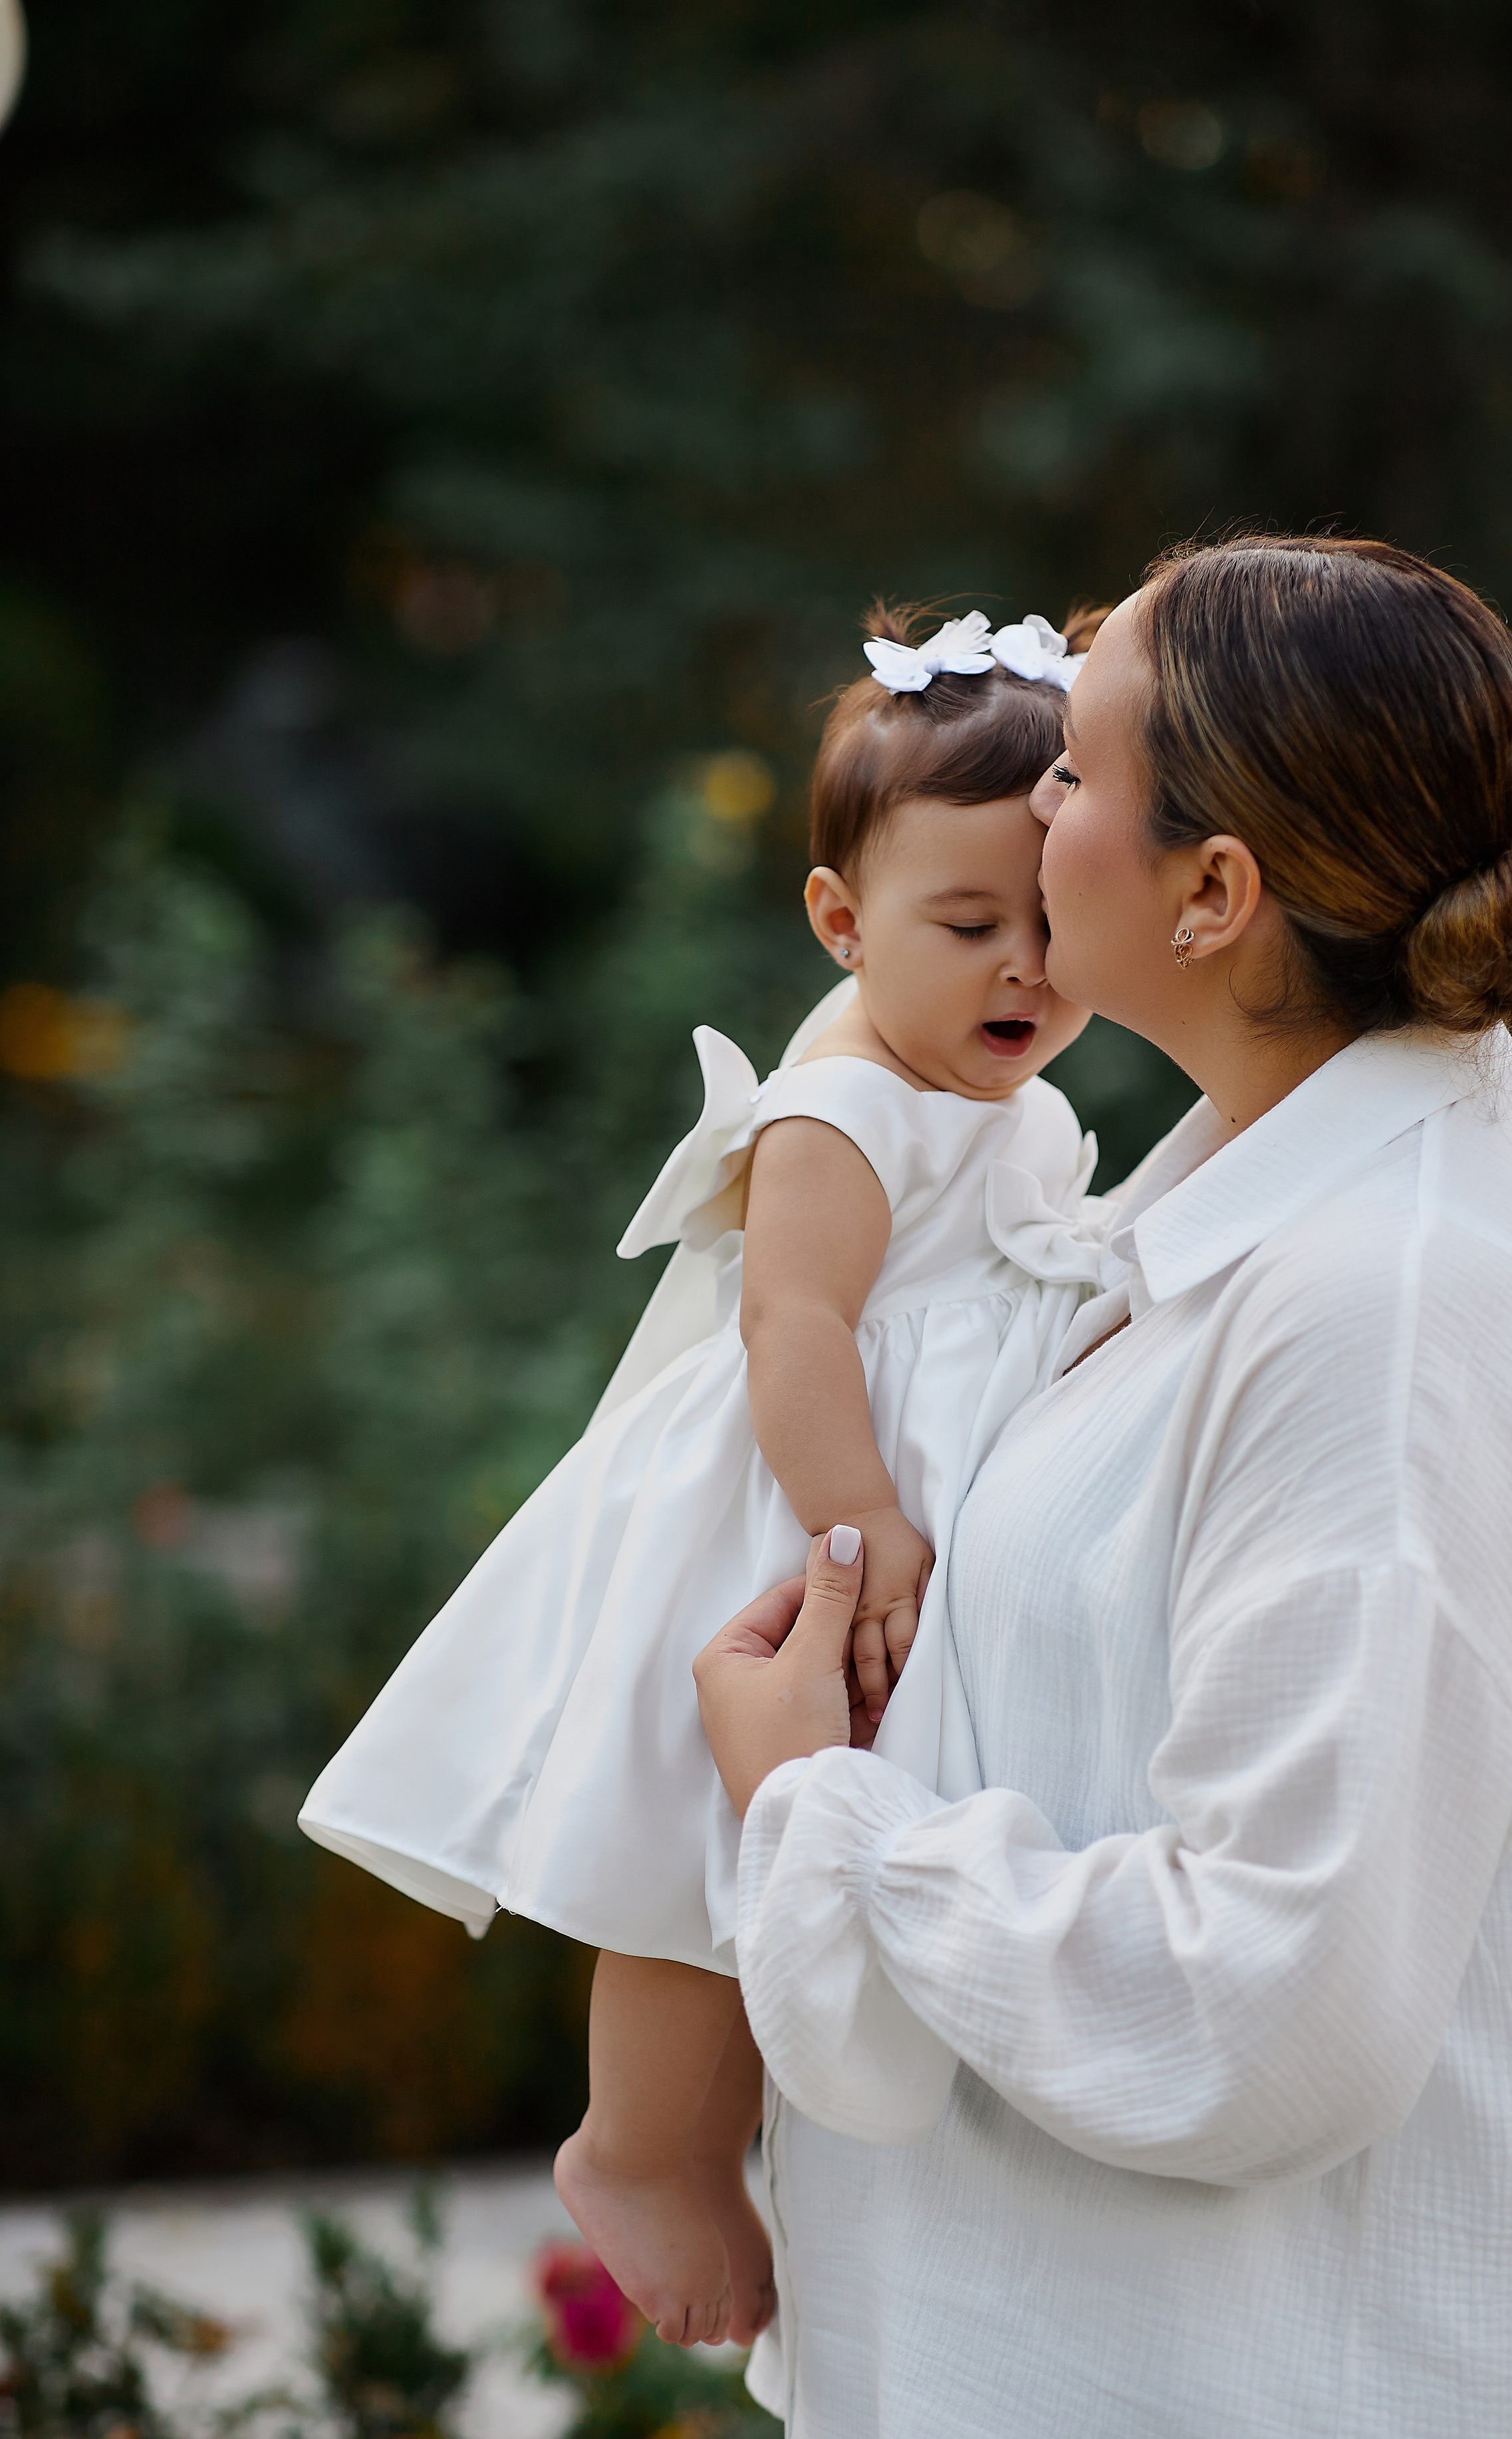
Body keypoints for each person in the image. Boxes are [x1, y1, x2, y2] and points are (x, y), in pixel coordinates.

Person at [694, 535, 1512, 2439]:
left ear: (1216, 895)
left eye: (1078, 769)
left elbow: (1271, 2006)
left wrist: (822, 1816)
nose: (1030, 794)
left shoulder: (1390, 1311)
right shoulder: (1232, 1201)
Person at [299, 603, 1109, 2347]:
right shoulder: (841, 1110)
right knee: (702, 1858)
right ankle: (646, 2145)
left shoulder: (1025, 1107)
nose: (1023, 971)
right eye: (968, 925)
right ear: (841, 921)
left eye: (1054, 923)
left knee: (822, 1854)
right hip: (787, 1516)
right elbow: (797, 1328)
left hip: (903, 1514)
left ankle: (791, 2132)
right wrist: (864, 1518)